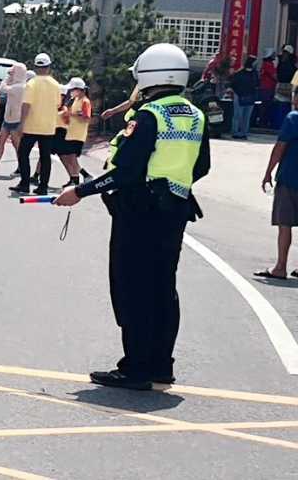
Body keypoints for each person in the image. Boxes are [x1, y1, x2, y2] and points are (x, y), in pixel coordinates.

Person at [55, 43, 209, 391]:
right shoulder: (195, 115)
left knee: (132, 287)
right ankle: (160, 365)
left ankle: (135, 368)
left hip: (139, 212)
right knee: (163, 287)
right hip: (174, 210)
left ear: (150, 76)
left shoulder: (148, 116)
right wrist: (172, 185)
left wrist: (79, 191)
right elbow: (202, 166)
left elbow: (126, 172)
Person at [259, 87, 298, 280]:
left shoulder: (293, 118)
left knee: (285, 224)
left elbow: (280, 147)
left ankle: (280, 267)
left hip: (290, 178)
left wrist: (268, 172)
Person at [11, 53, 61, 196]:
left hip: (32, 126)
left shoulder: (31, 84)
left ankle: (24, 183)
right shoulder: (55, 84)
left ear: (36, 67)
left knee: (23, 153)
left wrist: (21, 123)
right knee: (45, 157)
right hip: (48, 126)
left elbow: (26, 105)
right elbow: (58, 104)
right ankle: (43, 186)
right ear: (49, 67)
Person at [58, 77, 93, 187]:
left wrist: (72, 114)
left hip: (78, 135)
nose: (71, 92)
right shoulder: (76, 100)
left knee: (71, 157)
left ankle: (77, 179)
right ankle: (77, 178)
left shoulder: (85, 101)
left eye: (73, 89)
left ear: (79, 89)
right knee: (69, 157)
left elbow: (87, 117)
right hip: (71, 133)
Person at [0, 63, 27, 177]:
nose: (10, 75)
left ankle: (21, 166)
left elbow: (2, 88)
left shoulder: (20, 87)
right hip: (8, 118)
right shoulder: (16, 85)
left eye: (13, 73)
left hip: (16, 119)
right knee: (0, 142)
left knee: (17, 145)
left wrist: (7, 78)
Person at [230, 56, 258, 140]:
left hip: (247, 97)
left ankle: (242, 133)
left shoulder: (253, 73)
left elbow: (257, 84)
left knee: (244, 116)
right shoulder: (241, 73)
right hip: (241, 96)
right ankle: (237, 132)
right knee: (240, 116)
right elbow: (233, 84)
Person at [259, 50, 279, 128]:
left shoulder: (264, 64)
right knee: (266, 105)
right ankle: (263, 122)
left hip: (265, 87)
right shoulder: (268, 65)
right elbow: (274, 76)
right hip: (268, 87)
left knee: (264, 105)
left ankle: (262, 121)